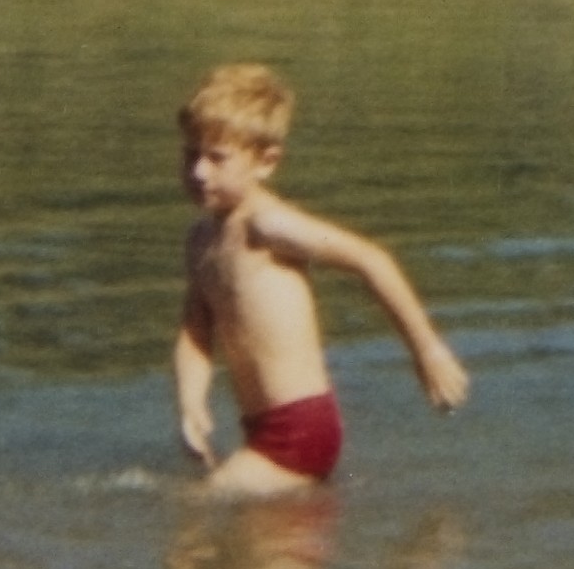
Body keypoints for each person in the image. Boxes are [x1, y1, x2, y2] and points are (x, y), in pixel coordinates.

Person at [172, 63, 470, 495]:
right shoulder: (200, 240)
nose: (199, 172)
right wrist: (191, 401)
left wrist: (428, 351)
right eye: (190, 155)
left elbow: (371, 259)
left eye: (217, 158)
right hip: (260, 428)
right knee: (261, 535)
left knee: (196, 507)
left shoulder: (267, 225)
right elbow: (195, 330)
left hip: (300, 427)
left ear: (266, 163)